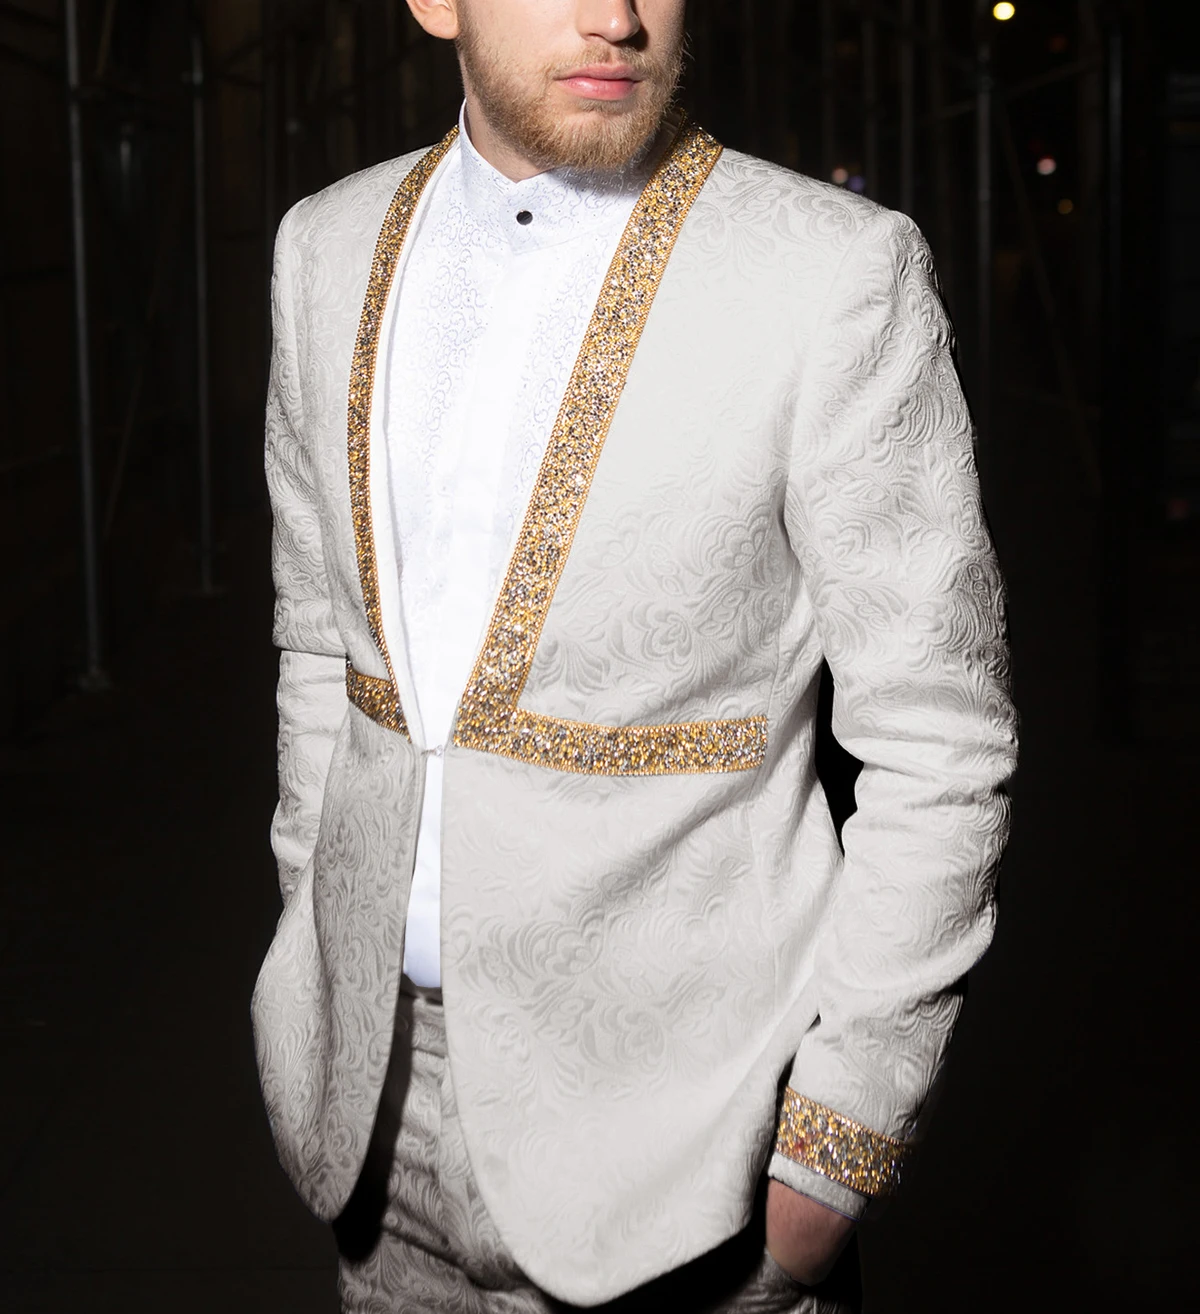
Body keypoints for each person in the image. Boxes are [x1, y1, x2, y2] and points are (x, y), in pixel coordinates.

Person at [252, 2, 1018, 1310]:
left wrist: (841, 1139)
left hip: (693, 1156)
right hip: (374, 1123)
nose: (617, 17)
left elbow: (941, 735)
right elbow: (322, 644)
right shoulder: (323, 248)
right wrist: (309, 951)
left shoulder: (832, 271)